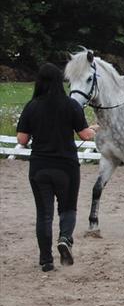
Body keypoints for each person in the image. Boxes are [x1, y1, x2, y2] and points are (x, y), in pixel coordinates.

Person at [16, 63, 97, 271]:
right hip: (66, 167)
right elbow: (85, 135)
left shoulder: (31, 106)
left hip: (39, 167)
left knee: (44, 214)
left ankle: (46, 260)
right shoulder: (71, 105)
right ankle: (65, 238)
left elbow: (22, 139)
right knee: (67, 208)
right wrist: (94, 128)